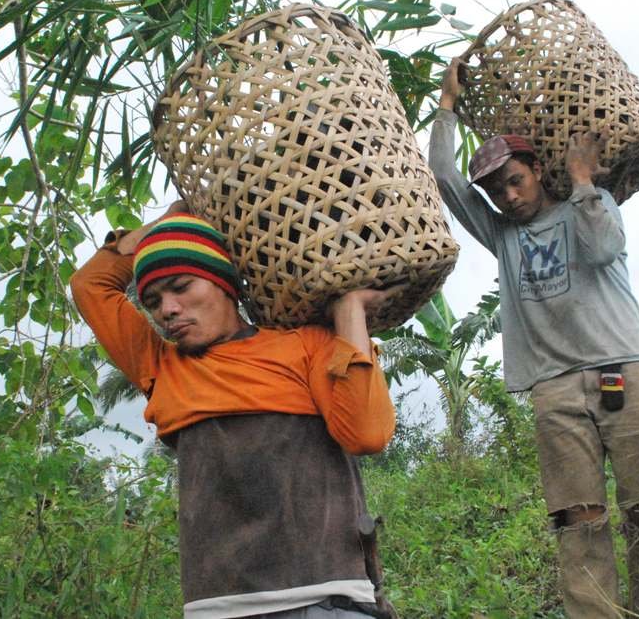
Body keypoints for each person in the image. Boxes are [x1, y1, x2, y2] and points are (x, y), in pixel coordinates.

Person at [428, 57, 639, 618]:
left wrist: (587, 182)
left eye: (514, 181)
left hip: (628, 372)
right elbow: (444, 177)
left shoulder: (587, 208)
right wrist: (446, 105)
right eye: (496, 191)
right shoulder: (502, 236)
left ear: (538, 170)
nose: (508, 197)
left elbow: (604, 250)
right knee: (578, 519)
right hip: (556, 390)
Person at [70, 202, 399, 619]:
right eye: (152, 300)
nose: (166, 310)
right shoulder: (162, 367)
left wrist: (350, 310)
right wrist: (165, 222)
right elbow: (89, 285)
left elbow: (367, 434)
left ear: (224, 284)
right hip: (218, 608)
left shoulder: (303, 346)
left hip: (325, 596)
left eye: (182, 286)